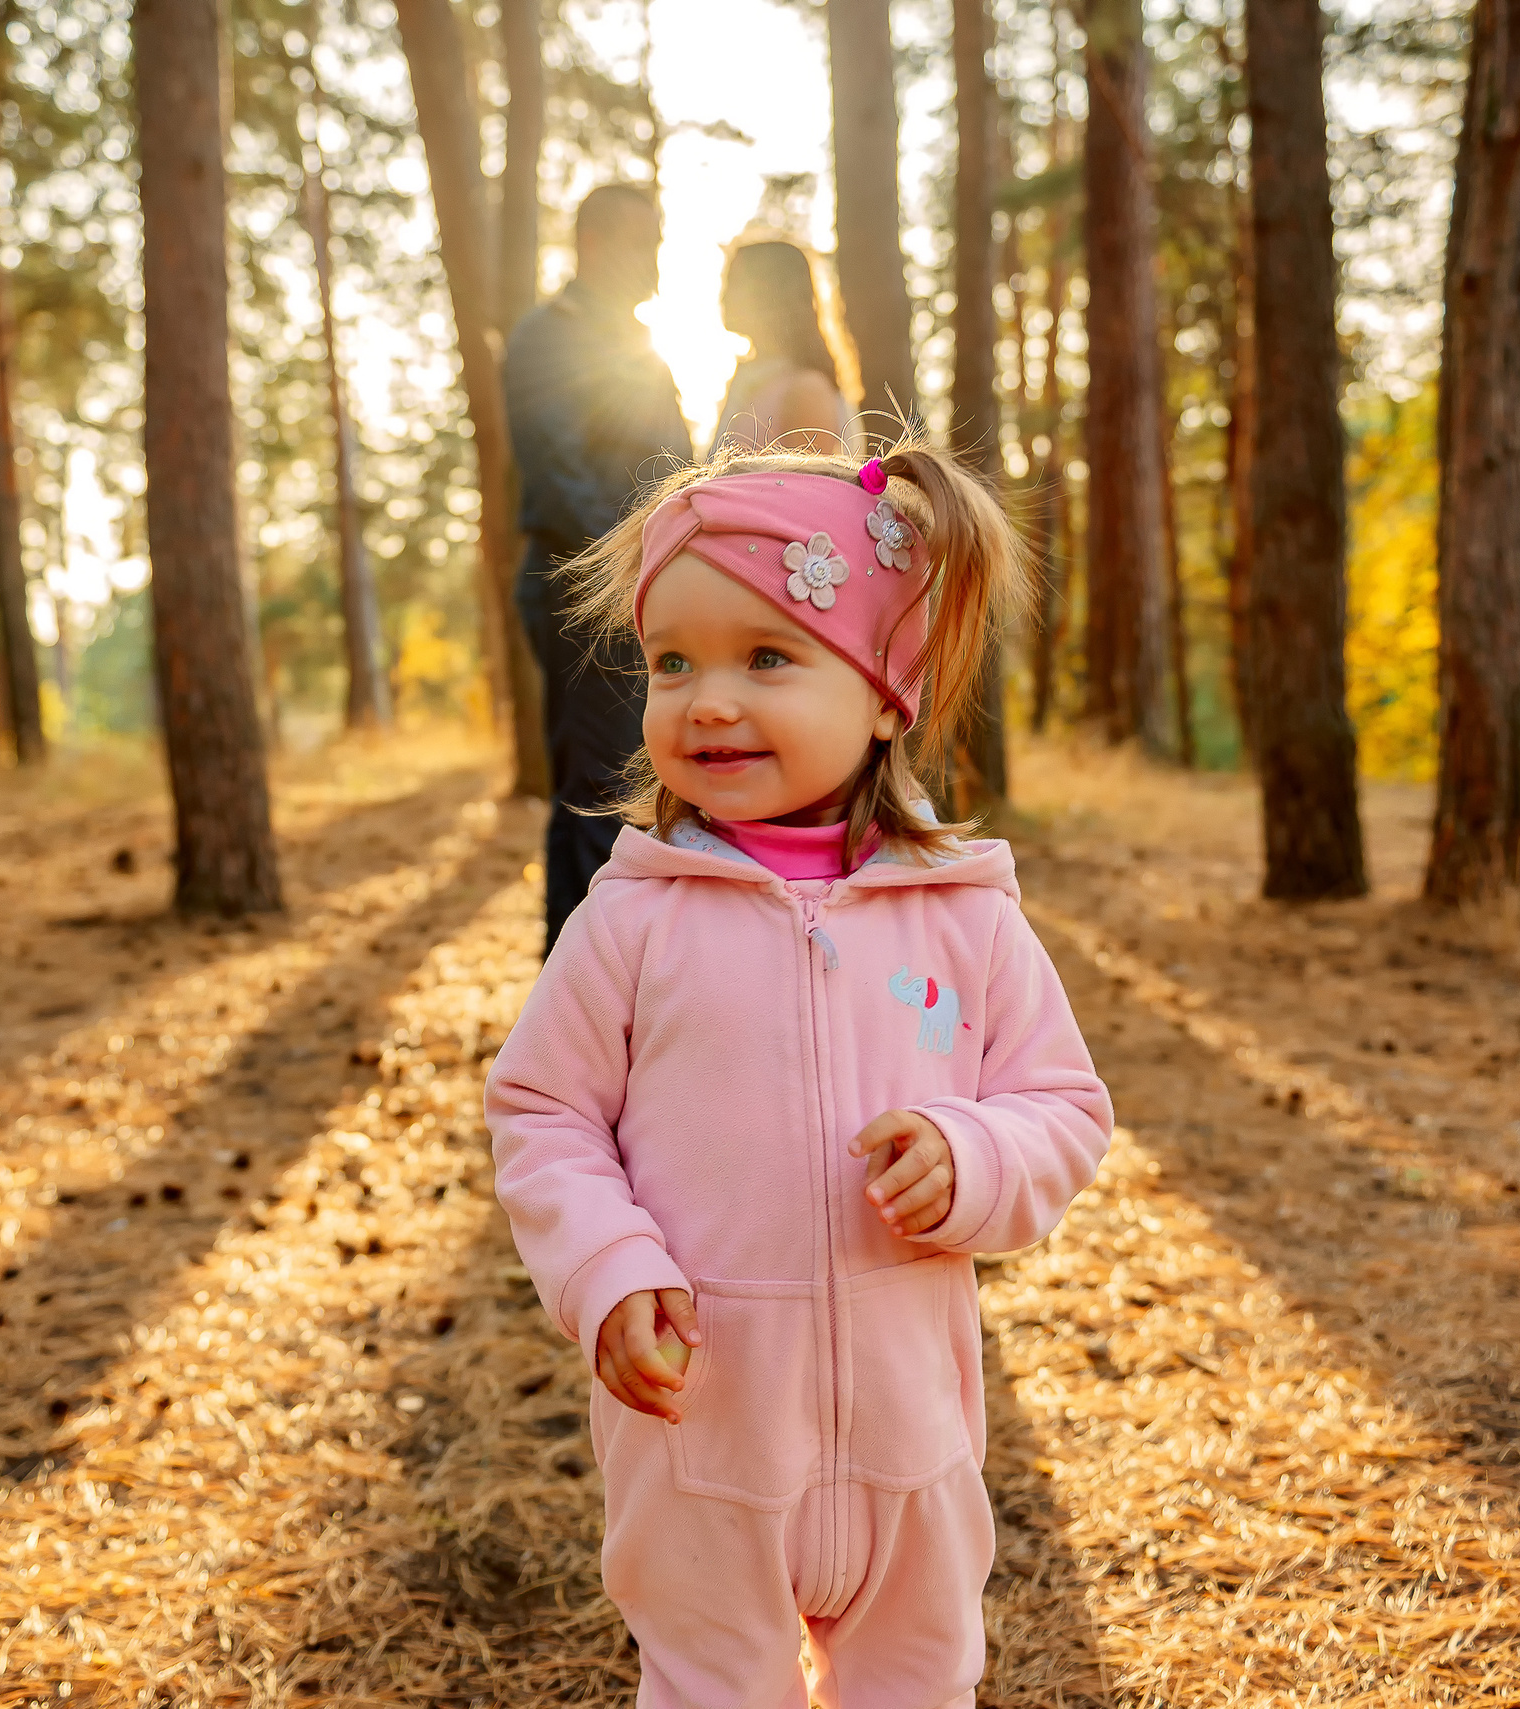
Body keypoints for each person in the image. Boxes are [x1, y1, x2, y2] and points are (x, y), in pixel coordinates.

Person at [486, 441, 1115, 1708]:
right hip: (704, 1432)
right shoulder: (634, 914)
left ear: (887, 691)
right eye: (673, 661)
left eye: (766, 656)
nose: (706, 699)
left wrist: (974, 1156)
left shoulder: (964, 913)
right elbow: (543, 1110)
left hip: (908, 1440)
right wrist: (609, 1267)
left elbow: (1062, 1106)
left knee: (918, 1679)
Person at [504, 183, 695, 955]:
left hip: (646, 595)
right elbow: (559, 477)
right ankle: (575, 1003)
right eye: (642, 243)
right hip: (584, 594)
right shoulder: (548, 339)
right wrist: (630, 576)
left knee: (640, 791)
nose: (655, 261)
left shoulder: (644, 347)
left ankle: (628, 983)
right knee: (597, 795)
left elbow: (677, 468)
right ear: (596, 245)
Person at [712, 237, 856, 453]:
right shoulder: (753, 379)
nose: (723, 296)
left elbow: (811, 485)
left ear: (770, 290)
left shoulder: (807, 389)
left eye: (735, 283)